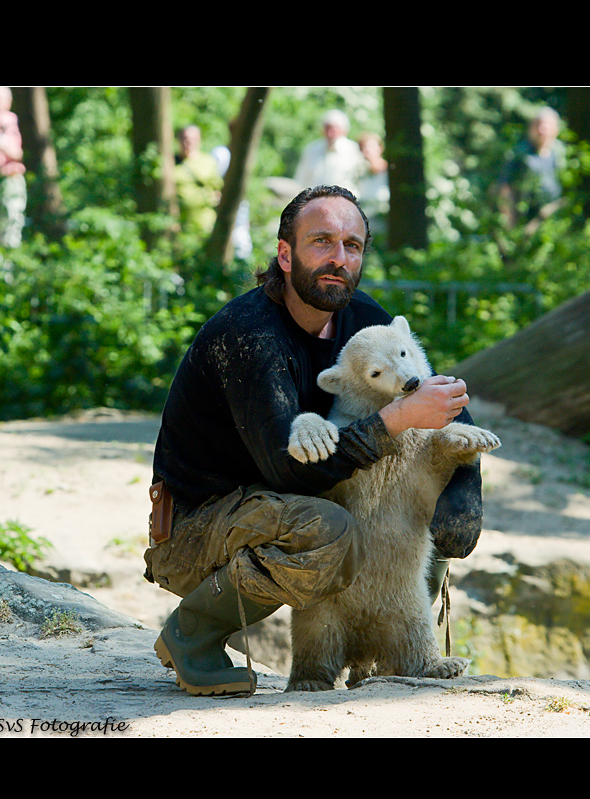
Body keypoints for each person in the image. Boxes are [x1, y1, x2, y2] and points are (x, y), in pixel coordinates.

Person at [144, 184, 484, 696]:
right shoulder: (251, 336)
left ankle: (396, 653)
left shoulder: (360, 319)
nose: (338, 258)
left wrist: (462, 494)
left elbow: (439, 402)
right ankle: (193, 633)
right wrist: (394, 420)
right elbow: (290, 468)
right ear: (285, 254)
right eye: (321, 241)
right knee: (326, 528)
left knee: (421, 480)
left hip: (280, 502)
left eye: (352, 245)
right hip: (199, 527)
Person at [497, 106, 566, 232]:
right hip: (524, 220)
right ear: (532, 128)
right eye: (538, 125)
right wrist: (509, 218)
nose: (542, 130)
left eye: (546, 126)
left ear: (555, 128)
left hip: (555, 218)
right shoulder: (519, 153)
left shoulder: (562, 153)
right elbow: (505, 186)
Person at [294, 110, 366, 196]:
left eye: (334, 129)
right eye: (327, 128)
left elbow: (362, 180)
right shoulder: (311, 149)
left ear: (344, 130)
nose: (330, 133)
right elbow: (301, 178)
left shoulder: (353, 149)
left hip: (345, 201)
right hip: (316, 201)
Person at [0, 86, 27, 248]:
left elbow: (17, 154)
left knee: (11, 225)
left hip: (10, 180)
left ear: (8, 101)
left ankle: (8, 267)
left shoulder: (9, 121)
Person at [174, 125, 223, 235]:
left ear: (199, 141)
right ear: (178, 140)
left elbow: (218, 188)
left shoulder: (208, 162)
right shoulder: (171, 162)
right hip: (179, 224)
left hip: (205, 223)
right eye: (184, 138)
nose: (188, 142)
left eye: (193, 139)